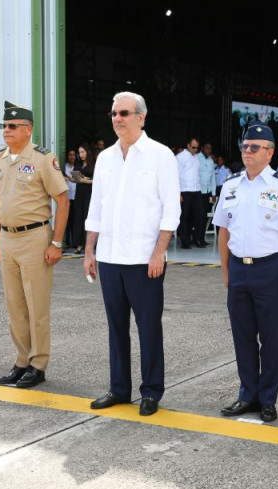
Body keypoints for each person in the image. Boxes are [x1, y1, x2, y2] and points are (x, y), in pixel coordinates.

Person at [84, 91, 181, 417]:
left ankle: (151, 391)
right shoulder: (106, 158)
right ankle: (119, 388)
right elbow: (96, 207)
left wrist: (159, 253)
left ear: (141, 117)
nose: (117, 119)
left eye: (124, 113)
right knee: (116, 327)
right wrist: (89, 250)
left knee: (148, 327)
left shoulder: (160, 155)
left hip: (144, 260)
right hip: (110, 257)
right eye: (114, 113)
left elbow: (171, 209)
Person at [213, 121, 278, 423]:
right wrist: (226, 271)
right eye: (244, 146)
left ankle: (267, 399)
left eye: (254, 147)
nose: (247, 151)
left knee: (269, 338)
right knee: (242, 336)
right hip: (239, 268)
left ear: (269, 152)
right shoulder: (231, 184)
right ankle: (247, 395)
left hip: (270, 270)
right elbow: (223, 232)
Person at [0, 101, 70, 389]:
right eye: (4, 126)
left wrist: (56, 242)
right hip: (8, 239)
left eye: (12, 126)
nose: (6, 131)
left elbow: (62, 200)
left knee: (37, 306)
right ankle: (22, 360)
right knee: (15, 306)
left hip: (35, 238)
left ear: (28, 129)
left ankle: (38, 364)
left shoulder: (42, 159)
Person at [176, 137, 204, 248]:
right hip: (185, 190)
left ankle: (197, 239)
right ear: (188, 145)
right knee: (184, 217)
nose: (195, 150)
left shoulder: (197, 158)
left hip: (196, 190)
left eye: (197, 148)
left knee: (200, 215)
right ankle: (185, 241)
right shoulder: (180, 157)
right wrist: (178, 193)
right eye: (193, 147)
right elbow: (175, 176)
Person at [71, 144, 97, 253]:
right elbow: (75, 179)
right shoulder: (78, 164)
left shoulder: (94, 164)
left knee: (88, 216)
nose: (81, 154)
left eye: (82, 152)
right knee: (78, 217)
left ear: (87, 152)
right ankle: (79, 244)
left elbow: (97, 180)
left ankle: (88, 244)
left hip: (89, 193)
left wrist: (86, 180)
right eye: (79, 152)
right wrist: (72, 179)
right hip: (79, 193)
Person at [197, 143, 217, 246]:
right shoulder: (197, 158)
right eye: (207, 148)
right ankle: (195, 238)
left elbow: (213, 178)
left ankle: (201, 238)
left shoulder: (211, 161)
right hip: (197, 192)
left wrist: (214, 194)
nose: (208, 150)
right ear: (202, 148)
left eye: (210, 149)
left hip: (207, 192)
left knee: (204, 217)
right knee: (197, 216)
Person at [63, 149, 77, 249]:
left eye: (73, 155)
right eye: (70, 154)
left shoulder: (78, 167)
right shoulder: (64, 168)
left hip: (76, 197)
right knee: (67, 220)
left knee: (75, 220)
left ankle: (75, 242)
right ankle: (67, 242)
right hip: (67, 197)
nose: (71, 156)